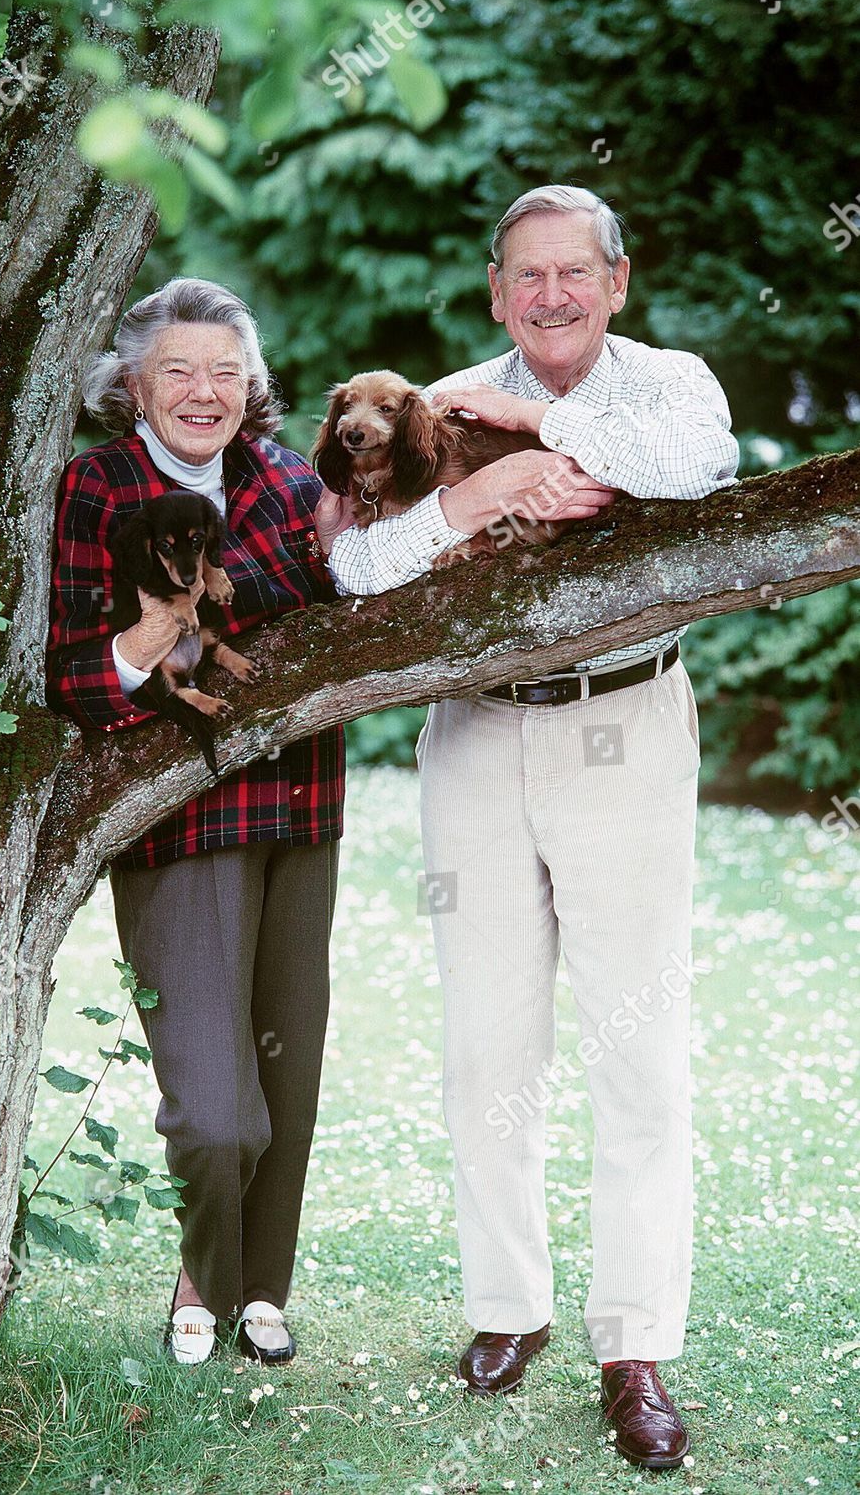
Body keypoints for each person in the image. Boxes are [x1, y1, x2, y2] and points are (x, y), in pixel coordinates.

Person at [317, 185, 739, 1471]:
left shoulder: (672, 386)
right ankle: (509, 1309)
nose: (551, 297)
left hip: (629, 731)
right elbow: (349, 568)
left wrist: (551, 426)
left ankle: (634, 1343)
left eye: (575, 273)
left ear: (618, 282)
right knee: (487, 1049)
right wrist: (475, 490)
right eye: (526, 277)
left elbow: (696, 473)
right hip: (479, 735)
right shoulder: (436, 406)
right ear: (498, 292)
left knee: (638, 1048)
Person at [46, 277, 343, 1366]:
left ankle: (258, 1289)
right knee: (220, 1114)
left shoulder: (291, 475)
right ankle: (203, 1270)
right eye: (180, 370)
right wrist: (150, 637)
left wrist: (194, 599)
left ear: (252, 387)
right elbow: (74, 673)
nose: (205, 392)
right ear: (135, 383)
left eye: (227, 372)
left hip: (302, 796)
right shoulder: (96, 486)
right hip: (178, 812)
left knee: (287, 1072)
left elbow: (329, 571)